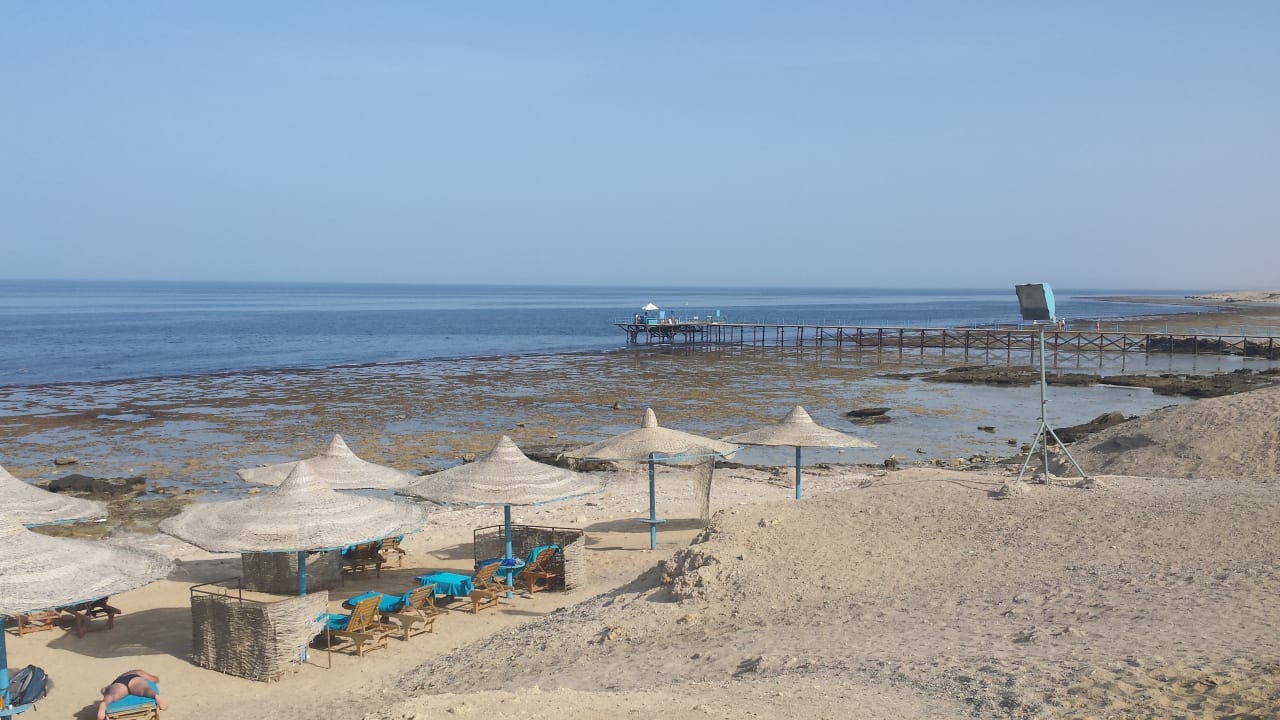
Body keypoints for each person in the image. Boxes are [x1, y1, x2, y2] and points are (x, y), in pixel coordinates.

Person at [97, 669, 166, 720]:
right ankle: (155, 696)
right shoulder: (139, 672)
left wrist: (106, 691)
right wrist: (155, 679)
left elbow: (103, 690)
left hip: (118, 682)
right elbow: (155, 680)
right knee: (144, 689)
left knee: (114, 695)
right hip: (134, 678)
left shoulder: (120, 677)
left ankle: (104, 703)